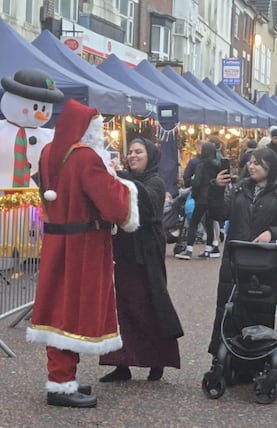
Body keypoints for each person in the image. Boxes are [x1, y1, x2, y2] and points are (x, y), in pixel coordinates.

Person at [26, 99, 140, 408]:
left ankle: (62, 378)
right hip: (83, 245)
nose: (100, 133)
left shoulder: (49, 152)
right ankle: (61, 385)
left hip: (56, 242)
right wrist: (126, 188)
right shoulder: (86, 157)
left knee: (55, 308)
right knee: (72, 311)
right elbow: (115, 204)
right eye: (97, 126)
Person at [99, 137, 184, 382]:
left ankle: (157, 361)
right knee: (120, 309)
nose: (133, 155)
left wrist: (122, 179)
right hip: (122, 251)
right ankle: (120, 362)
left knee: (149, 305)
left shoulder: (155, 181)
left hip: (145, 254)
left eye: (139, 151)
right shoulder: (124, 177)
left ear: (150, 156)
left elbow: (147, 206)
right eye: (131, 152)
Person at [207, 147, 277, 361]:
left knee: (258, 312)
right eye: (251, 161)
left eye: (258, 162)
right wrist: (217, 189)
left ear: (270, 166)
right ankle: (224, 360)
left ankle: (254, 361)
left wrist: (272, 232)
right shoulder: (239, 189)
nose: (252, 165)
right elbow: (218, 213)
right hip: (235, 263)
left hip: (263, 265)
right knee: (228, 310)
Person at [175, 142, 220, 260]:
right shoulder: (217, 165)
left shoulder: (201, 165)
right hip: (213, 198)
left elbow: (197, 183)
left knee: (194, 222)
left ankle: (189, 250)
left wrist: (194, 194)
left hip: (201, 198)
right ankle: (209, 249)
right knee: (209, 223)